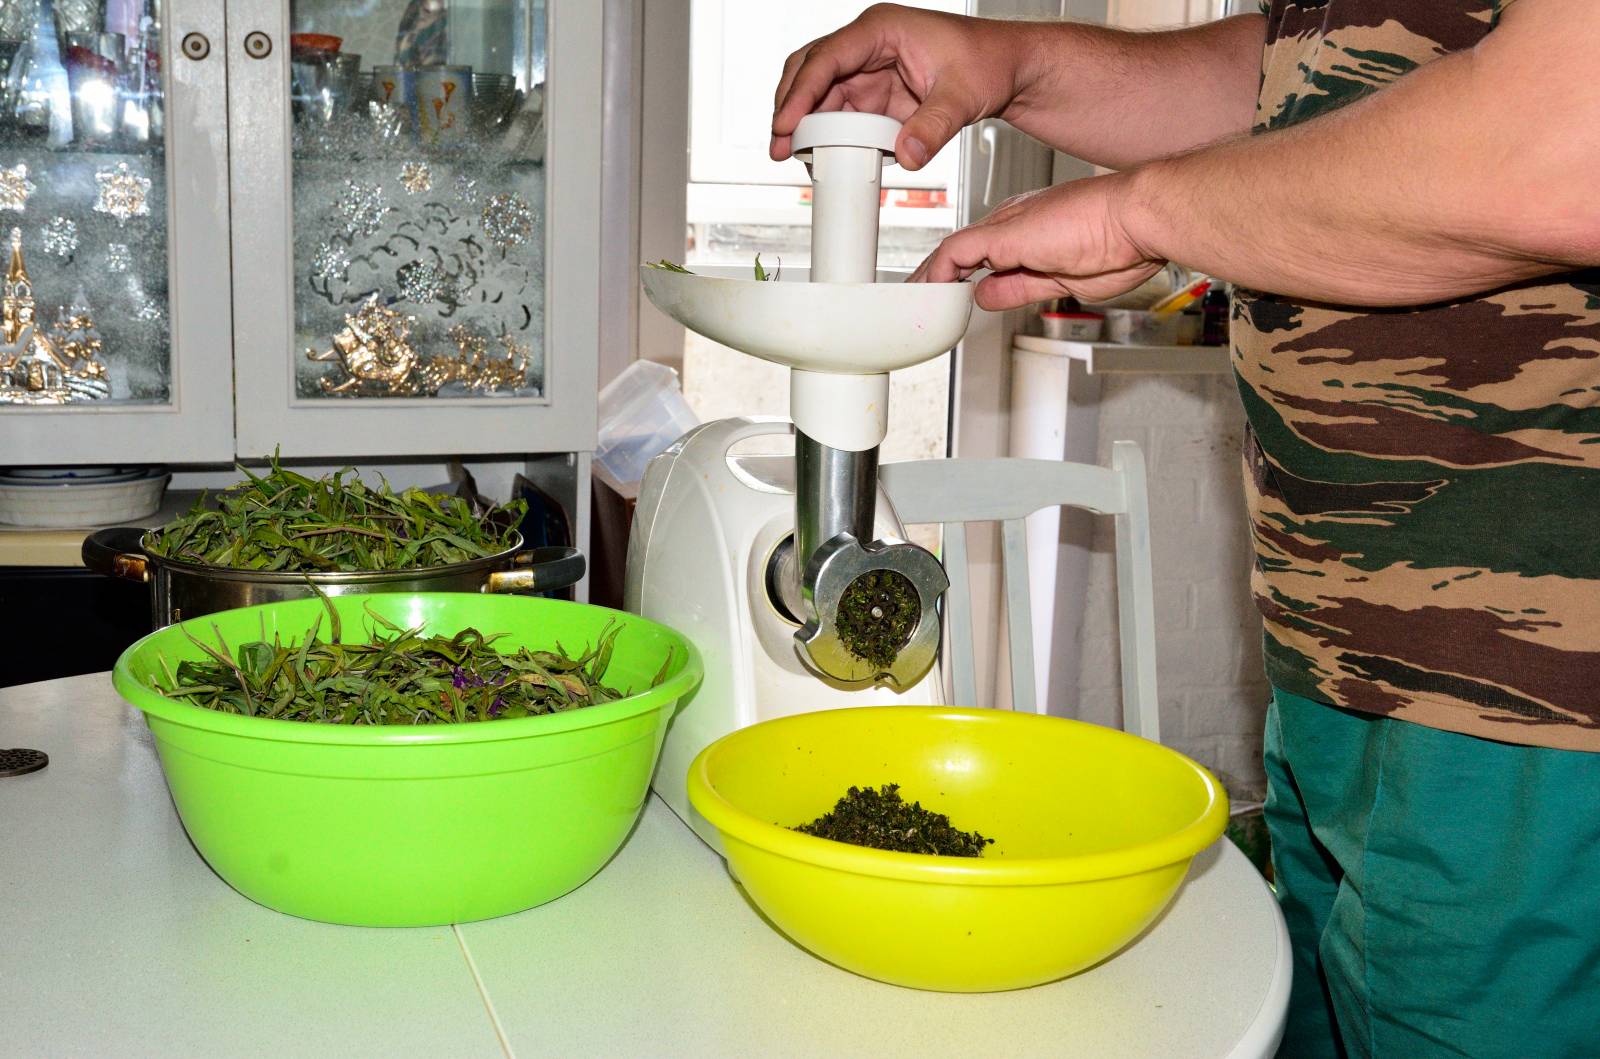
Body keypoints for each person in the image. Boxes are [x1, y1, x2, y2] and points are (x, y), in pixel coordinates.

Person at [772, 4, 1600, 1057]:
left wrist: (1139, 216)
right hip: (1338, 659)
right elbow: (1315, 72)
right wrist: (1021, 66)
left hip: (1538, 690)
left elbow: (1566, 142)